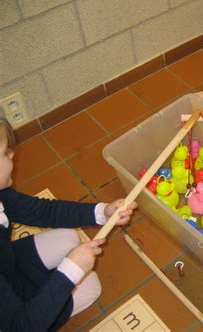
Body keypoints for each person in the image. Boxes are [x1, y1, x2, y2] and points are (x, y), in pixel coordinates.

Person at [0, 118, 137, 330]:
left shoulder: (2, 194)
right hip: (15, 318)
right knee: (91, 286)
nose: (12, 154)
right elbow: (21, 327)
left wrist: (102, 213)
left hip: (9, 266)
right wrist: (70, 271)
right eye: (4, 153)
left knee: (67, 236)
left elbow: (40, 211)